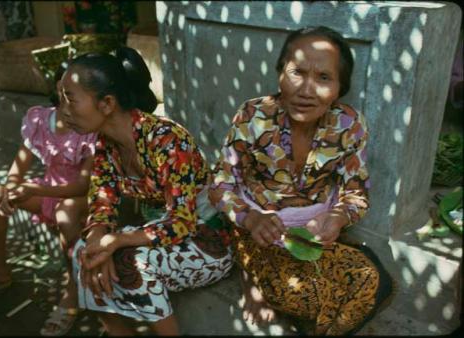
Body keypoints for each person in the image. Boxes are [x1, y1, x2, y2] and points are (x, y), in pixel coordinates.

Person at [209, 26, 393, 336]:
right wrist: (251, 218)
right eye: (297, 72)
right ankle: (251, 277)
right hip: (259, 230)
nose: (306, 90)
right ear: (280, 73)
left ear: (339, 87)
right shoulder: (253, 116)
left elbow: (356, 192)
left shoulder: (348, 124)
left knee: (372, 284)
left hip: (312, 234)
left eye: (323, 78)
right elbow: (220, 184)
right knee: (298, 294)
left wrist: (336, 216)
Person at [60, 47, 233, 336]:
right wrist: (97, 242)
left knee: (135, 262)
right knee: (84, 251)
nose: (63, 110)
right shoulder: (106, 145)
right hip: (161, 234)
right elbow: (101, 202)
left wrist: (116, 240)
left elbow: (182, 223)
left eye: (70, 99)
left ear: (106, 104)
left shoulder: (167, 140)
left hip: (207, 240)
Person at [0, 64, 97, 336]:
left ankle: (74, 294)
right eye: (63, 88)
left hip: (81, 198)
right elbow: (17, 170)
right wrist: (12, 191)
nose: (66, 95)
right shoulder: (40, 120)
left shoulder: (88, 126)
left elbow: (82, 186)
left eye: (74, 91)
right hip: (49, 191)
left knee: (66, 214)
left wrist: (35, 192)